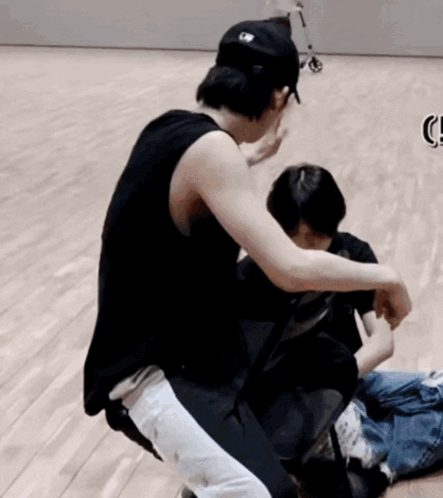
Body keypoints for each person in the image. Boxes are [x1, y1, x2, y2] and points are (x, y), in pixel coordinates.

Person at [83, 19, 411, 498]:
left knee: (327, 364)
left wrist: (250, 158)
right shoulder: (215, 154)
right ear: (279, 98)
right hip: (150, 375)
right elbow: (291, 267)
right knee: (263, 492)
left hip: (185, 360)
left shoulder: (170, 130)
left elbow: (196, 182)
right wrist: (387, 276)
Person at [236, 164, 443, 497]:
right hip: (299, 400)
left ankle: (374, 469)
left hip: (354, 379)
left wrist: (343, 379)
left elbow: (382, 342)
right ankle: (416, 443)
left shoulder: (350, 254)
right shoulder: (252, 277)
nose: (307, 252)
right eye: (297, 240)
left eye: (316, 239)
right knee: (342, 423)